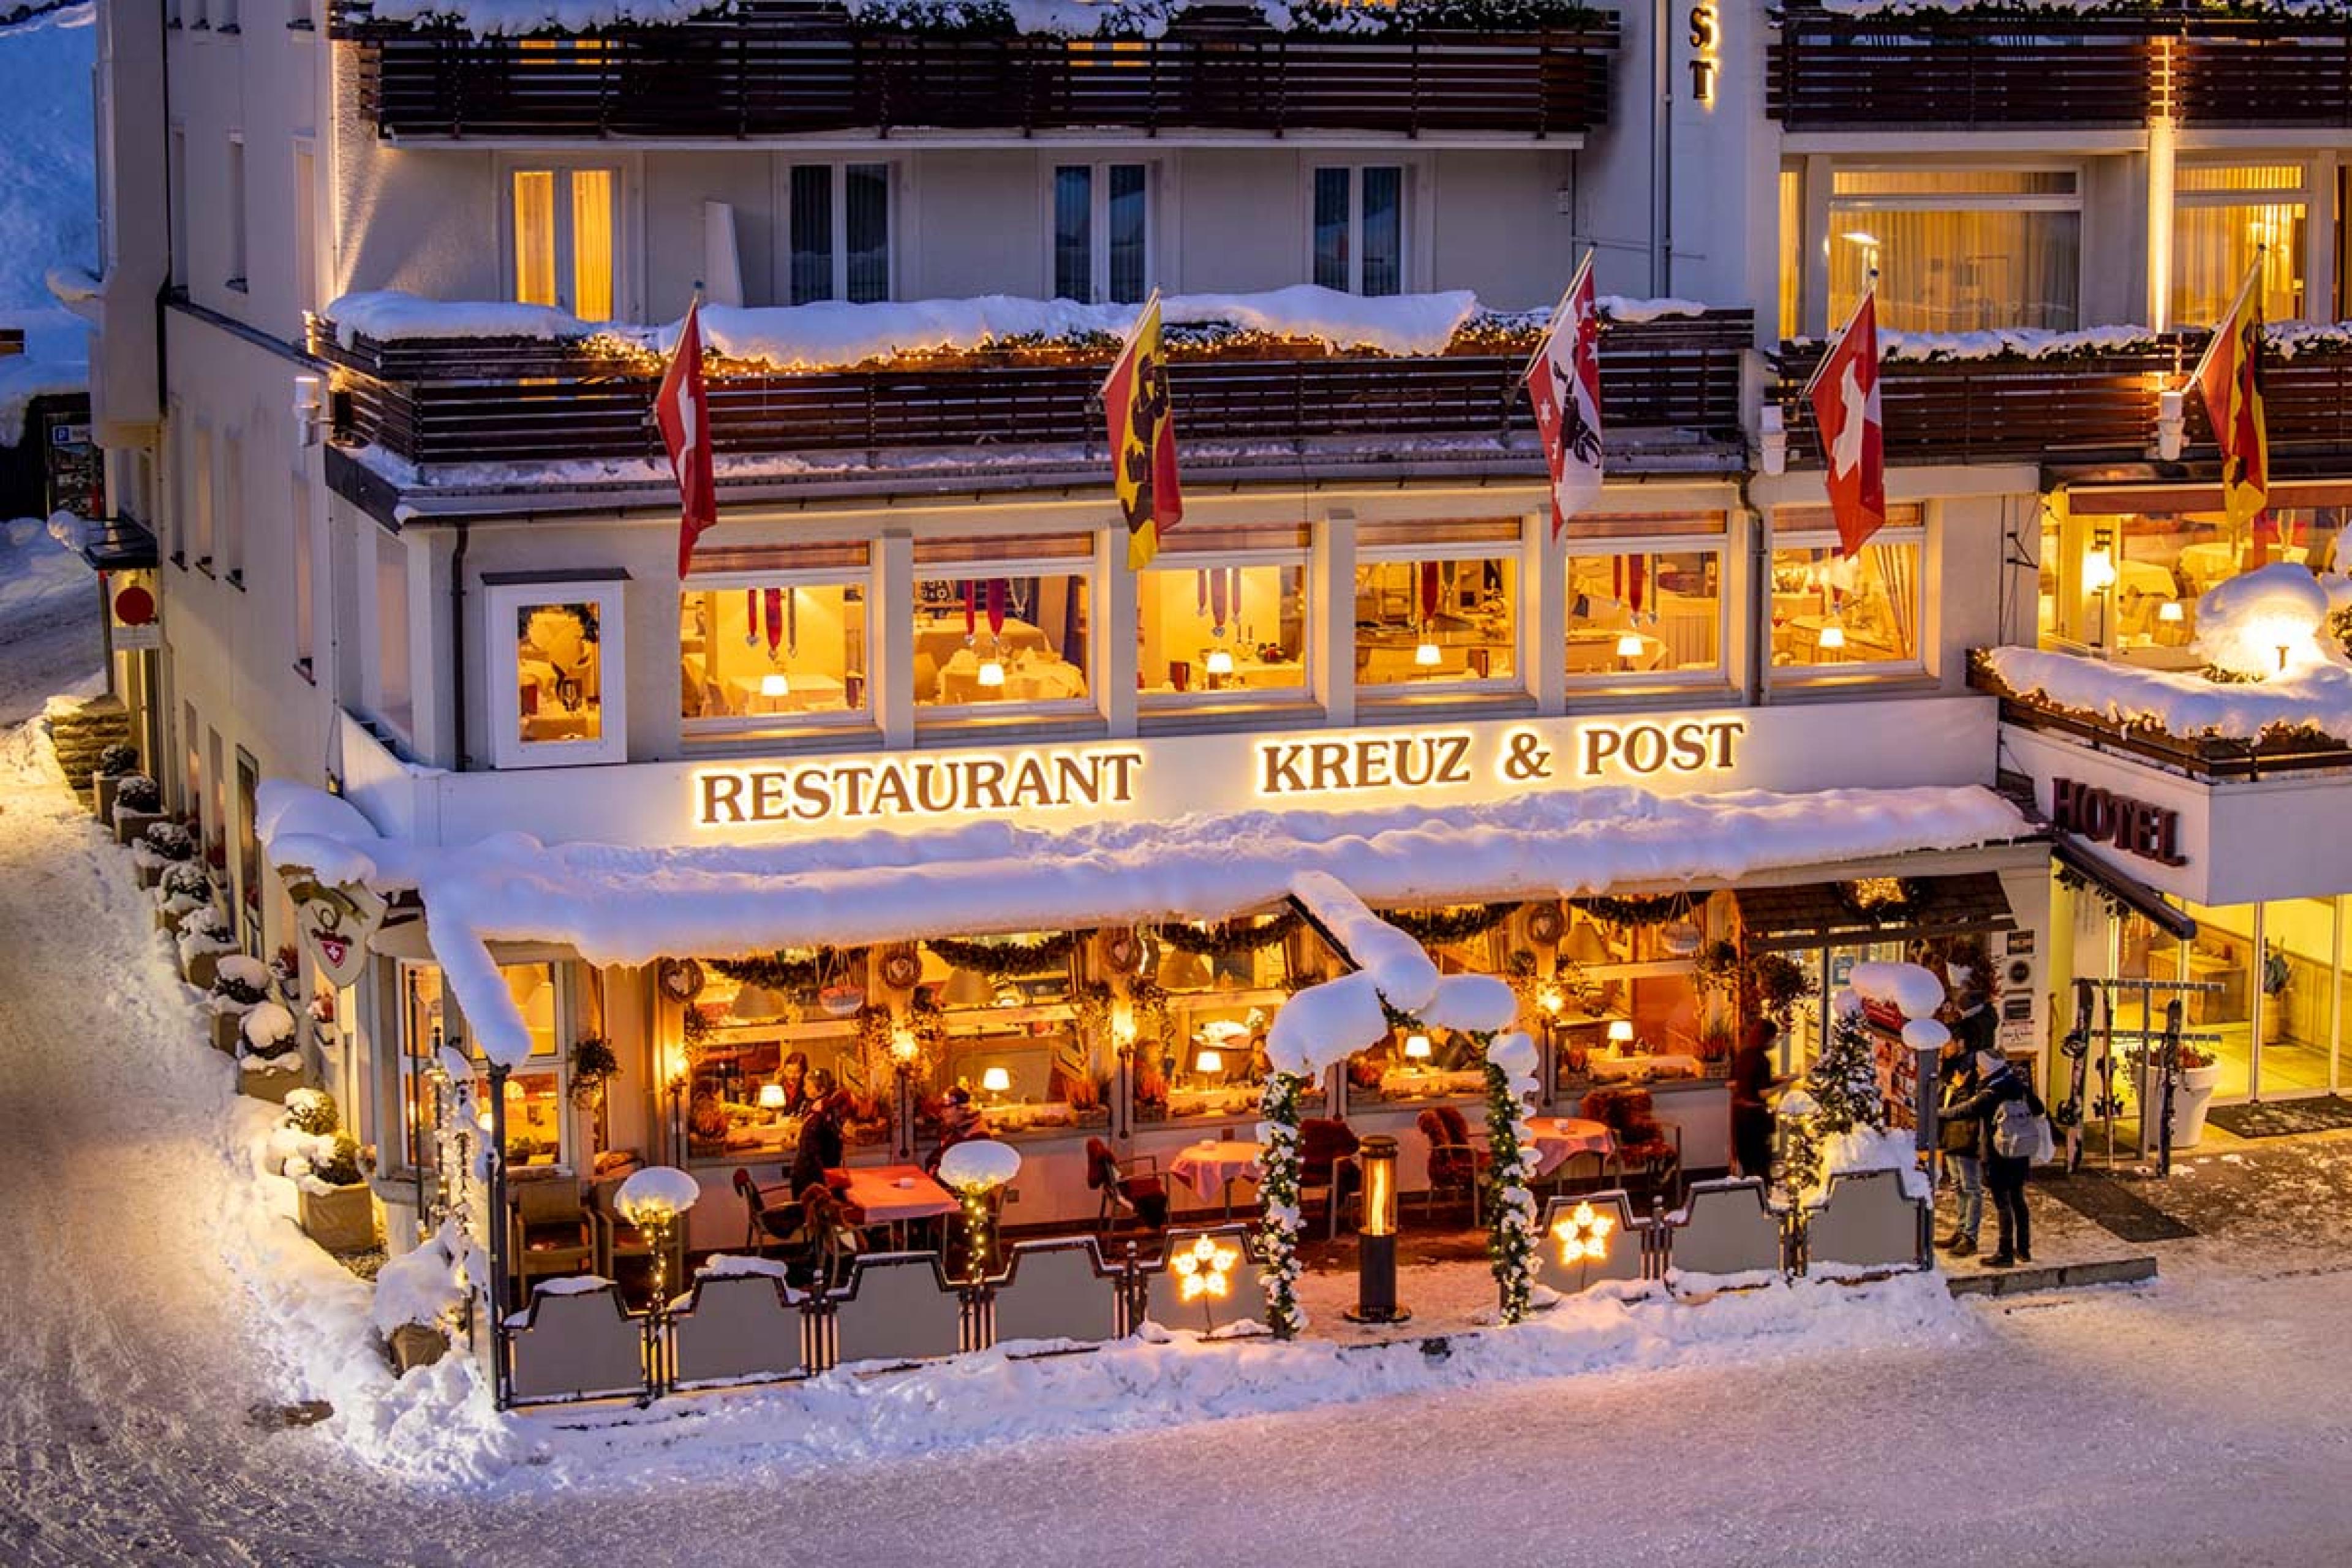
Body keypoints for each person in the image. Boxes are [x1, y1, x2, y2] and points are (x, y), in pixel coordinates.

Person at [1941, 1048, 2041, 1267]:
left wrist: (1937, 1113)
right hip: (2019, 1152)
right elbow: (2039, 1108)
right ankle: (2023, 1249)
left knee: (2003, 1203)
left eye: (1980, 1067)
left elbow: (1967, 1110)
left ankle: (2005, 1253)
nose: (1978, 1070)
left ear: (1988, 1068)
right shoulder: (2015, 1084)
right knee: (2017, 1200)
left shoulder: (1992, 1091)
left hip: (1999, 1155)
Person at [1936, 1042, 1985, 1257]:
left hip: (1967, 1138)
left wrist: (1960, 1087)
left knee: (1971, 1187)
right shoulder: (1950, 1074)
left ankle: (1970, 1236)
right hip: (1952, 1138)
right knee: (1958, 1186)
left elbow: (1971, 1108)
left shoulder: (1974, 1076)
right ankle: (1962, 1229)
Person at [1728, 1017, 1782, 1183]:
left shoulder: (1743, 1055)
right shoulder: (1763, 1060)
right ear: (1767, 1038)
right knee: (1761, 1160)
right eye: (1775, 1037)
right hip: (1755, 1117)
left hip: (1740, 1115)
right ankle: (1765, 1196)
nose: (1776, 1041)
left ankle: (1749, 1193)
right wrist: (1785, 1085)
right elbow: (1763, 1093)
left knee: (1746, 1159)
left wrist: (1778, 1079)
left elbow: (1732, 1084)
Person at [789, 1071, 846, 1198]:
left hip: (808, 1180)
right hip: (814, 1181)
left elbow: (812, 1149)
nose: (804, 1089)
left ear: (821, 1090)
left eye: (808, 1086)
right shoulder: (821, 1113)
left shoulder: (821, 1114)